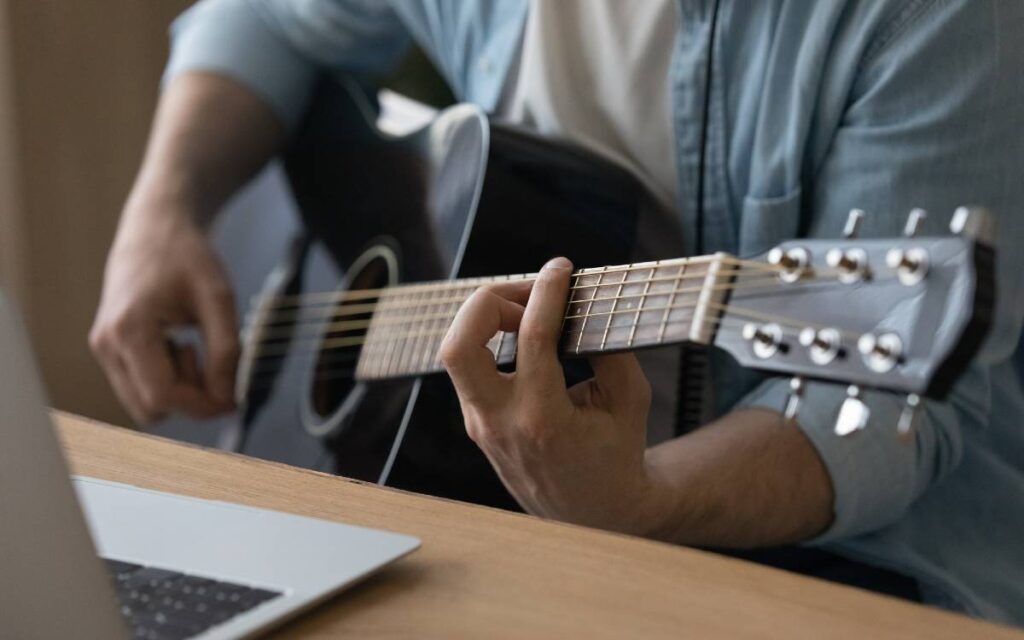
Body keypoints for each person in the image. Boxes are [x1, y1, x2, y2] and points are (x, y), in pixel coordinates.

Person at [89, 0, 1024, 625]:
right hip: (478, 512)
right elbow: (259, 20)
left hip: (841, 570)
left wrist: (639, 502)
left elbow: (880, 414)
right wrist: (160, 208)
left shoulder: (932, 18)